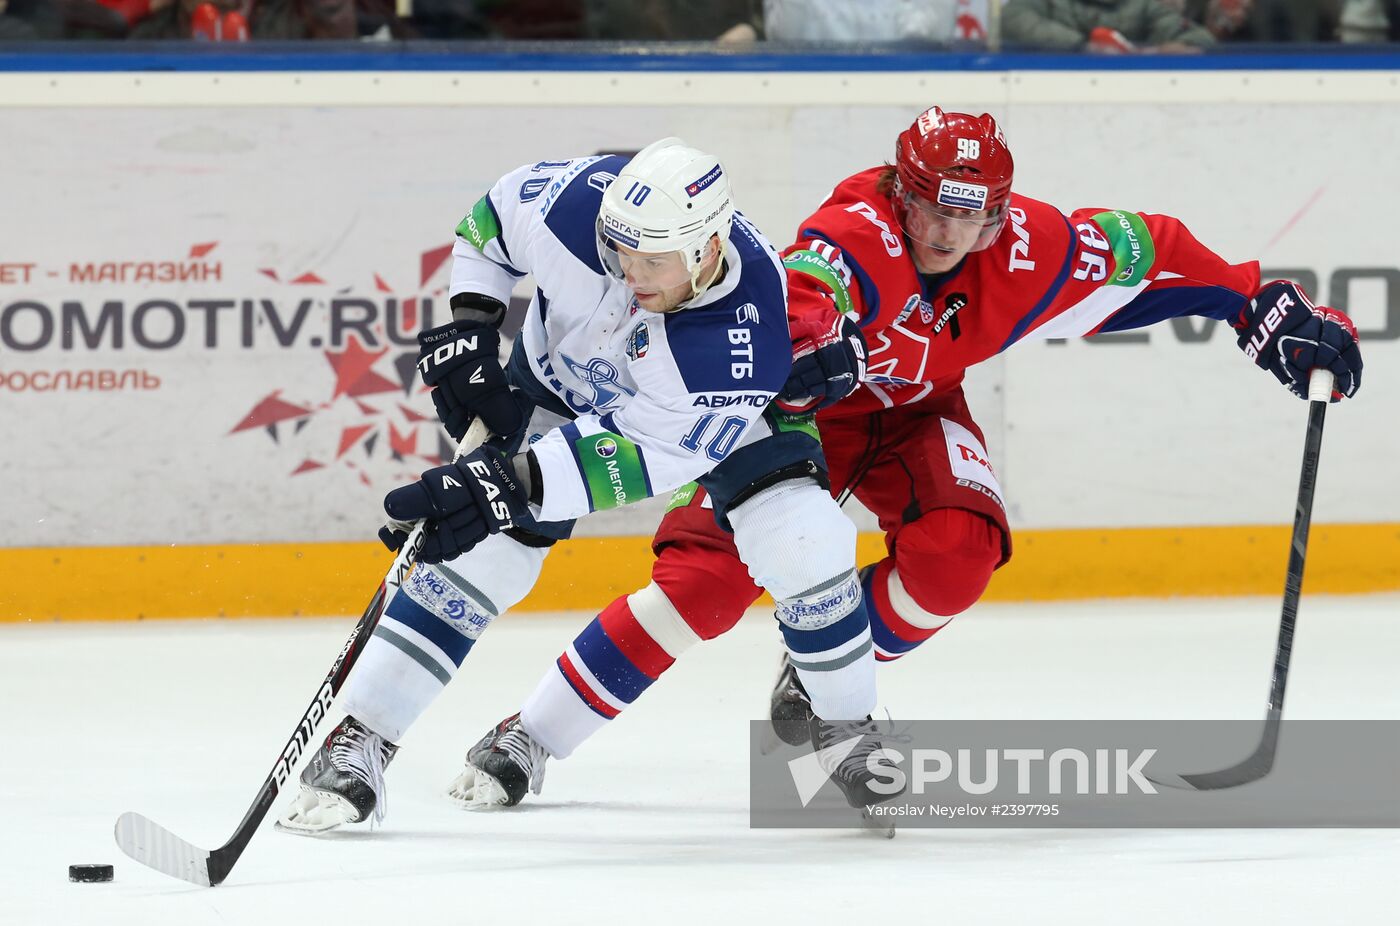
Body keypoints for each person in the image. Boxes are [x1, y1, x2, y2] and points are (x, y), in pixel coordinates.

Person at [455, 106, 1364, 808]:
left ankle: (823, 686)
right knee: (705, 587)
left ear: (1000, 213)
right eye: (928, 203)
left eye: (971, 215)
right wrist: (809, 341)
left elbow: (1153, 251)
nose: (944, 232)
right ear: (899, 187)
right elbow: (812, 282)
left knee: (962, 550)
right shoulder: (858, 228)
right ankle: (532, 735)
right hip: (799, 420)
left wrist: (1258, 305)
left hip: (920, 414)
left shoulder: (1035, 246)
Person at [278, 138, 887, 834]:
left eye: (652, 261)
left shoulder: (735, 348)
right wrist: (471, 326)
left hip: (699, 418)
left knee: (806, 546)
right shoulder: (578, 204)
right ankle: (360, 737)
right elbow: (490, 225)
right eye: (620, 252)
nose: (629, 275)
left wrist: (501, 485)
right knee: (484, 556)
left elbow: (633, 457)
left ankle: (846, 731)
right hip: (556, 379)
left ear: (708, 250)